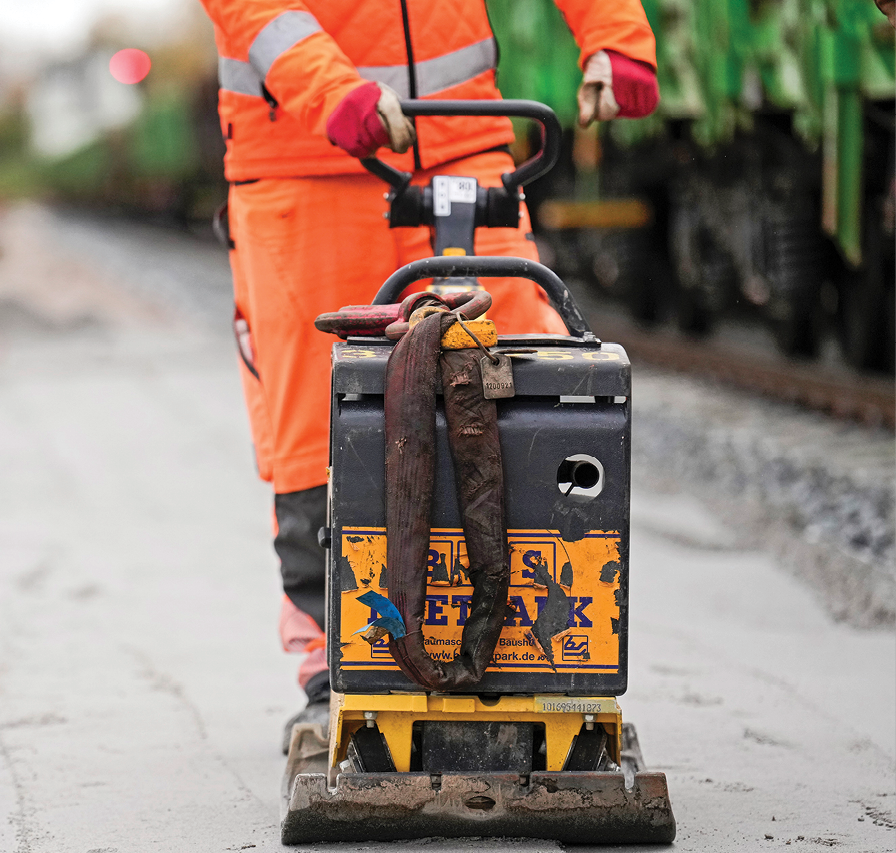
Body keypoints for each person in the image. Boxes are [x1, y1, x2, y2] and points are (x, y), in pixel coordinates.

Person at [198, 0, 660, 745]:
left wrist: (616, 37)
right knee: (314, 426)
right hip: (305, 158)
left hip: (464, 153)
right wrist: (328, 88)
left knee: (523, 394)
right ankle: (331, 670)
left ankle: (527, 651)